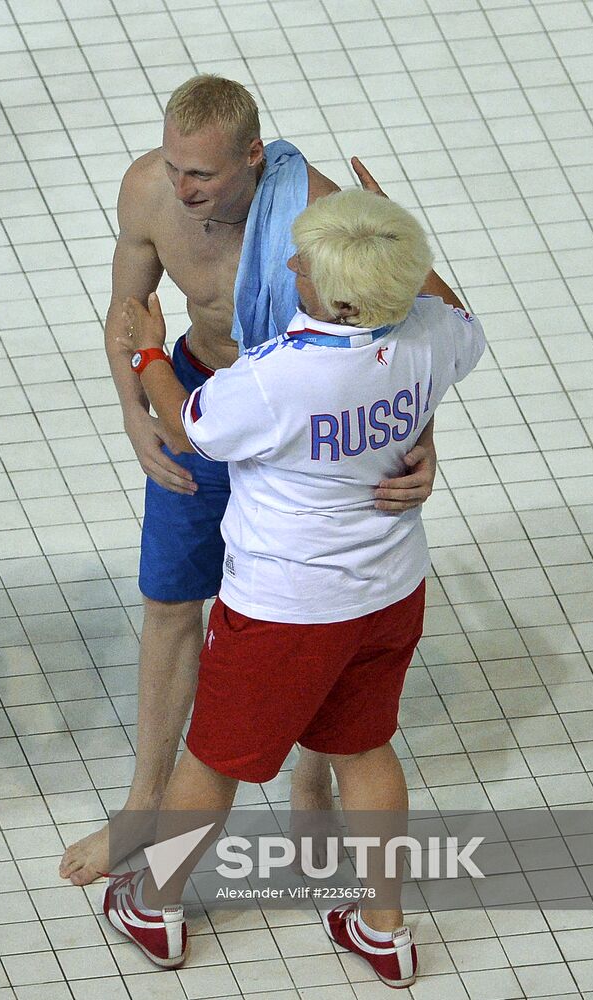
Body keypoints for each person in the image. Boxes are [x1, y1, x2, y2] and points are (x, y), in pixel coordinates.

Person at [58, 75, 438, 887]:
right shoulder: (147, 192)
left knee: (309, 614)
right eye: (173, 167)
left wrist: (421, 440)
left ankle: (314, 795)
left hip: (291, 430)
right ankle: (143, 807)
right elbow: (129, 312)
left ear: (255, 158)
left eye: (202, 175)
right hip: (198, 400)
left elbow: (394, 326)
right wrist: (135, 415)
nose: (183, 190)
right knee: (170, 602)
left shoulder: (314, 208)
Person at [102, 188, 486, 987]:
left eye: (304, 262)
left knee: (212, 760)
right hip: (388, 594)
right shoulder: (428, 337)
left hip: (285, 609)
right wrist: (391, 237)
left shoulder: (280, 377)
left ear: (334, 294)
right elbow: (455, 308)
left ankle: (156, 906)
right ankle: (385, 931)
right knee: (366, 748)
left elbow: (188, 427)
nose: (287, 264)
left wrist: (147, 352)